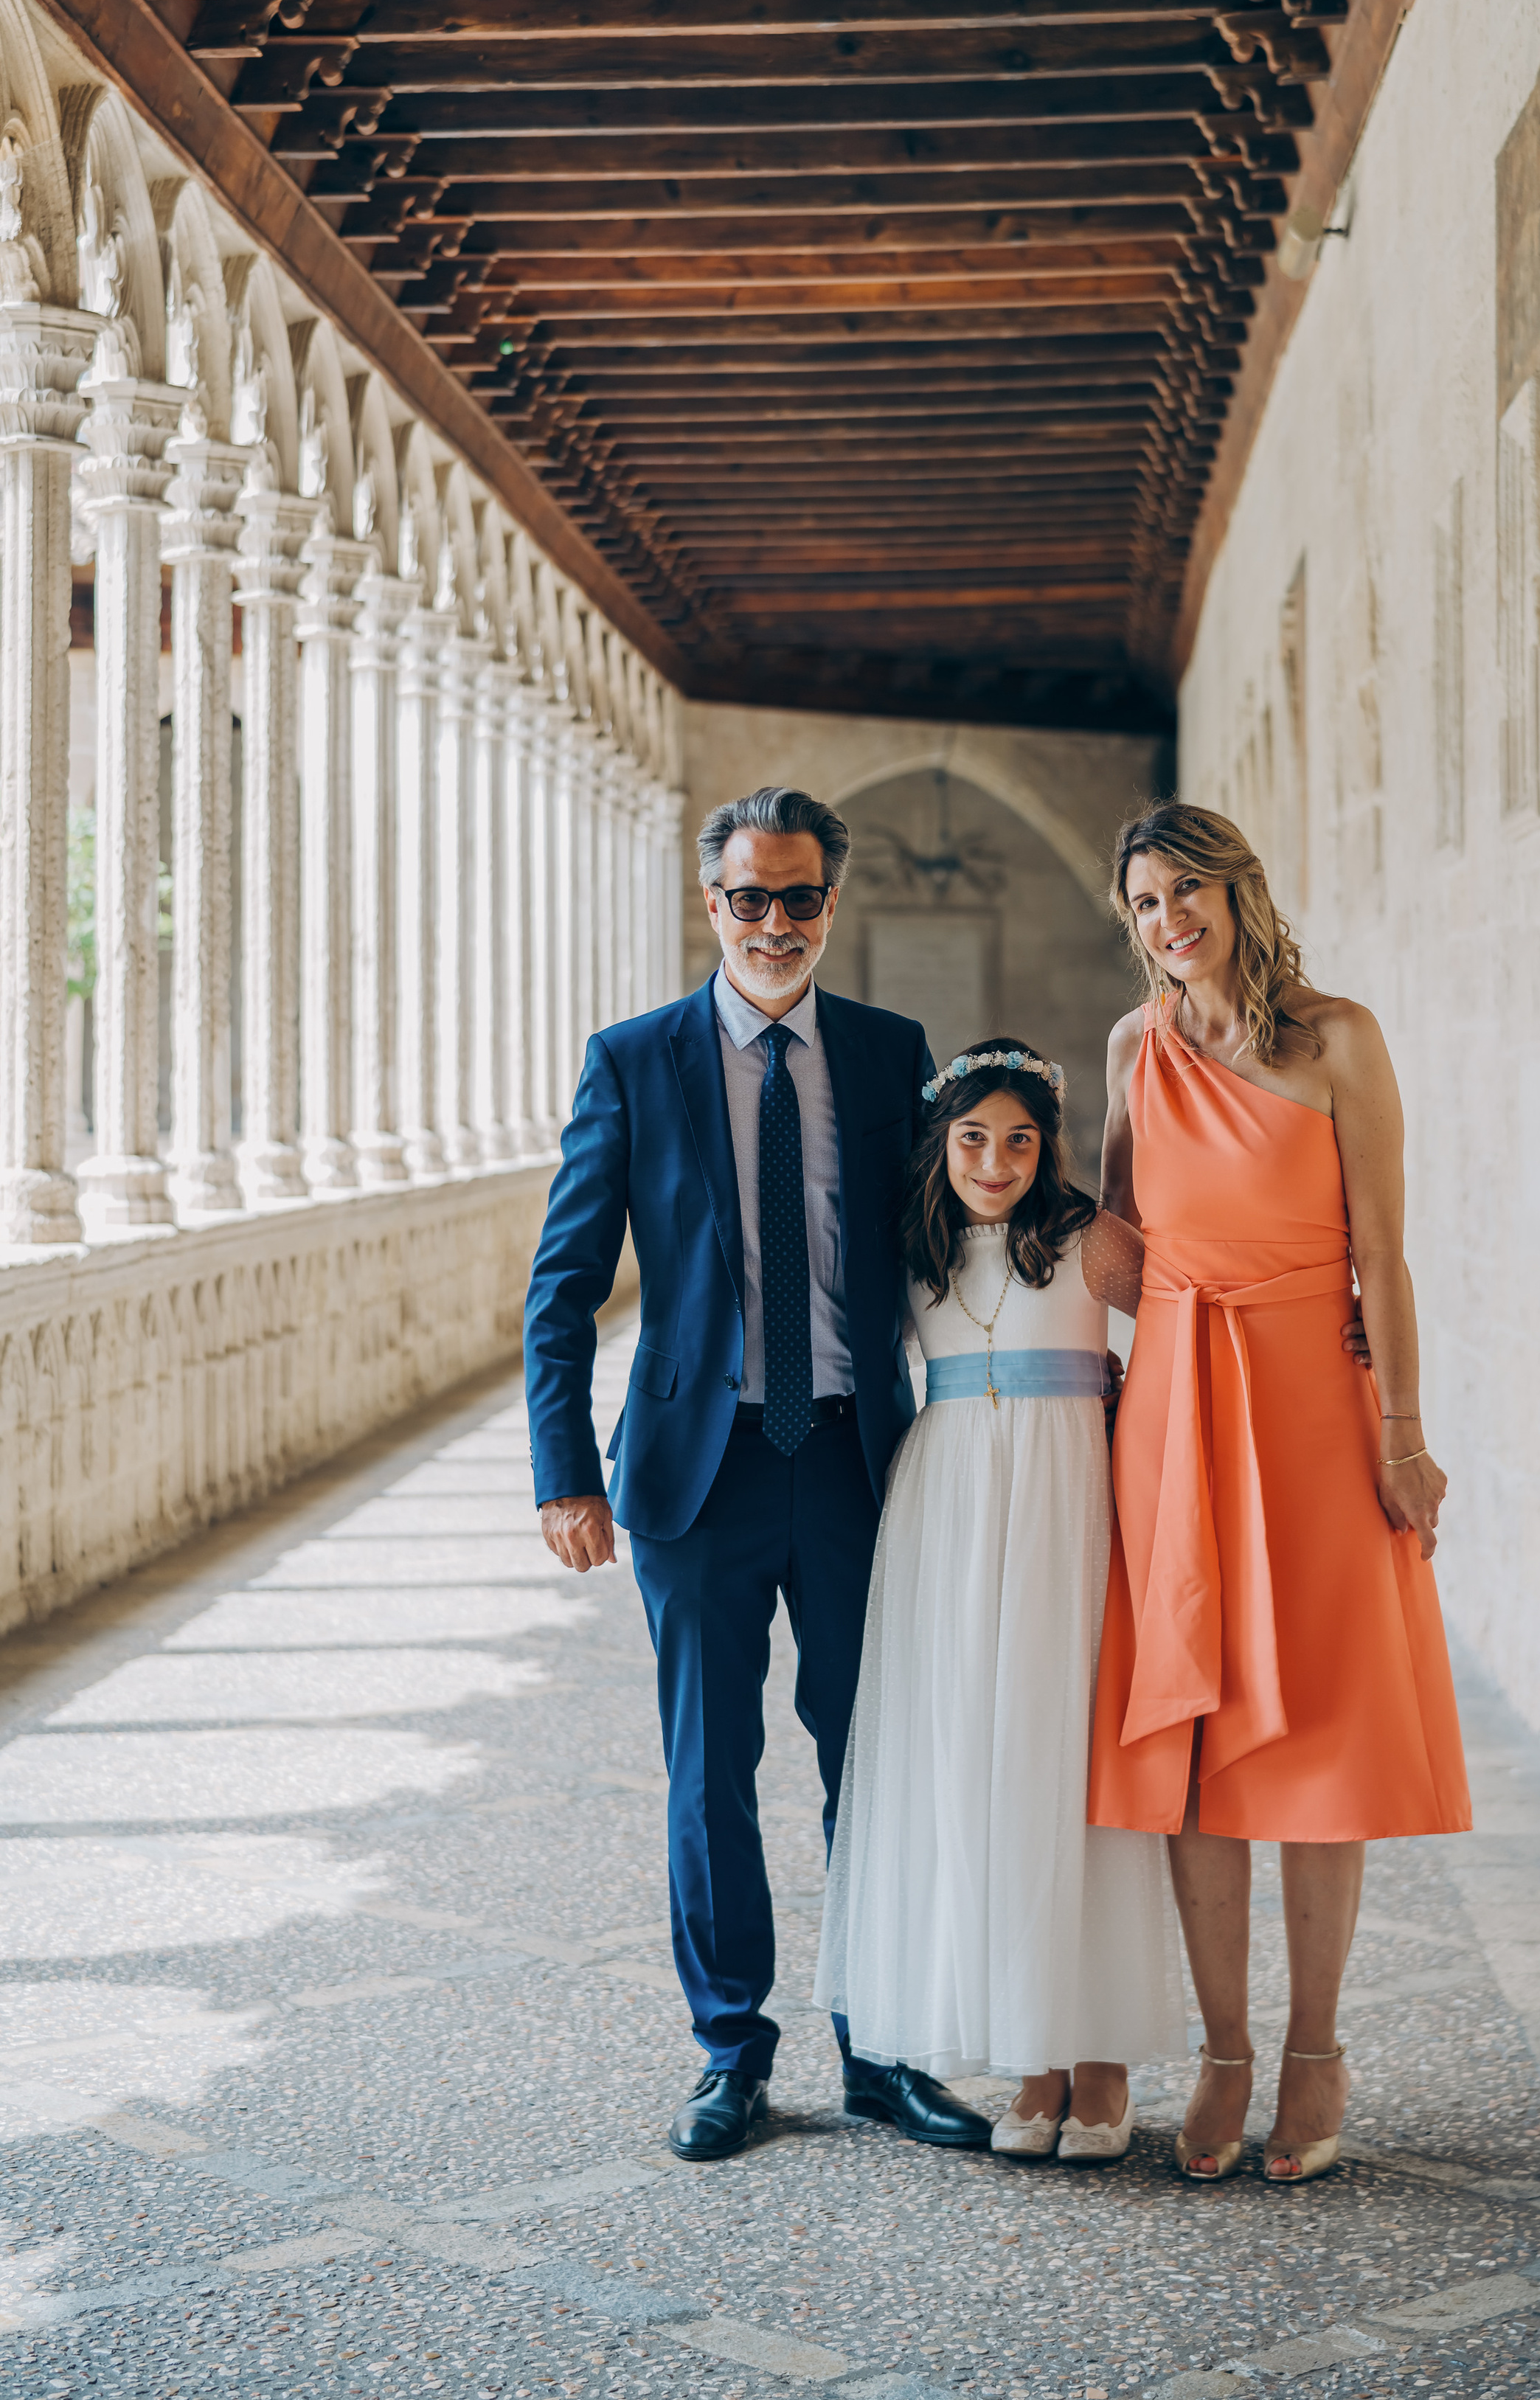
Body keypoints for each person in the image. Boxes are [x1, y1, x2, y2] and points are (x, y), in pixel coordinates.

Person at [524, 785, 991, 2164]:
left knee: (878, 1770)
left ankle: (885, 2050)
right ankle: (731, 2053)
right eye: (749, 899)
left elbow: (957, 1245)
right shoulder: (632, 1062)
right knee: (708, 1774)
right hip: (696, 1478)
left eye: (799, 898)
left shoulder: (891, 1052)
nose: (774, 923)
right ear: (711, 903)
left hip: (855, 1464)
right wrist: (566, 1473)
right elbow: (562, 1292)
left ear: (831, 905)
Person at [1088, 800, 1472, 2187]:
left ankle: (1315, 2052)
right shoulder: (1135, 1048)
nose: (1167, 921)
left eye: (1185, 892)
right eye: (1143, 903)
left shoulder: (1340, 1039)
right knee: (1196, 1748)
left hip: (1315, 1403)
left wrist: (1403, 1432)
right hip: (1175, 1407)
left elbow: (1388, 1256)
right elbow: (1124, 1244)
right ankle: (1225, 2052)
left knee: (1315, 1738)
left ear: (1238, 893)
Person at [816, 1044, 1185, 2163]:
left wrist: (1343, 1318)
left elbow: (1192, 1320)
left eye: (1020, 1139)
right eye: (974, 1138)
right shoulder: (913, 1252)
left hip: (1067, 1502)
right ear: (943, 1143)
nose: (996, 1160)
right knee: (979, 1769)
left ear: (1048, 1147)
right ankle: (1034, 2060)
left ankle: (1103, 2059)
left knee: (1063, 1760)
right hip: (948, 1513)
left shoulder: (1087, 1243)